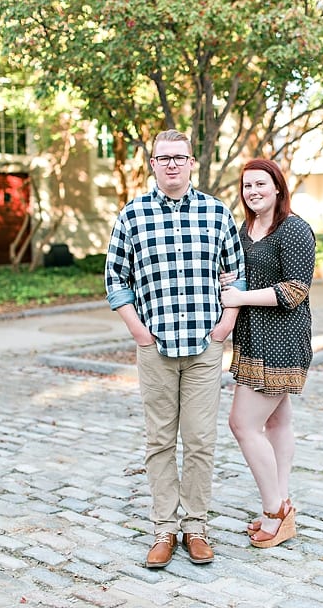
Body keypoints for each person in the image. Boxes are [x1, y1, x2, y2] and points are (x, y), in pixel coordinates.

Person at [105, 129, 246, 568]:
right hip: (156, 347)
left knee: (201, 440)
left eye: (179, 157)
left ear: (190, 163)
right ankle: (164, 529)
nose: (171, 164)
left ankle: (196, 527)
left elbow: (236, 275)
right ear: (152, 164)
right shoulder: (132, 215)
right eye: (163, 158)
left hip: (205, 348)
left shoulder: (216, 212)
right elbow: (115, 280)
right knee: (160, 441)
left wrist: (224, 326)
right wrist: (139, 332)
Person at [218, 158, 315, 549]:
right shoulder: (246, 229)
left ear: (278, 187)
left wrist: (241, 295)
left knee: (242, 424)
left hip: (282, 340)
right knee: (276, 424)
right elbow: (245, 275)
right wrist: (232, 282)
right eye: (246, 186)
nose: (253, 192)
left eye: (260, 184)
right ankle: (283, 499)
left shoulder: (294, 230)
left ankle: (275, 510)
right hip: (252, 338)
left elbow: (295, 289)